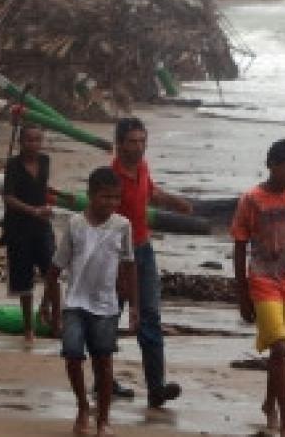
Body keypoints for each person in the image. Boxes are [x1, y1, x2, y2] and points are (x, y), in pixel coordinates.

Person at [45, 167, 138, 437]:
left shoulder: (122, 226)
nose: (110, 203)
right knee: (73, 356)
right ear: (90, 195)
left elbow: (130, 266)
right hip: (74, 301)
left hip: (106, 304)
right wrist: (49, 306)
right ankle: (83, 406)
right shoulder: (75, 224)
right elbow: (56, 268)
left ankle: (104, 419)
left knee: (103, 362)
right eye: (105, 197)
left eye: (115, 198)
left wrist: (134, 307)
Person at [110, 117, 192, 408]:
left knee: (150, 317)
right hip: (116, 255)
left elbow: (151, 193)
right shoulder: (111, 176)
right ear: (119, 144)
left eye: (143, 141)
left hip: (143, 250)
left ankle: (156, 387)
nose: (139, 147)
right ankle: (103, 379)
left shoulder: (143, 167)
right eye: (132, 142)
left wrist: (175, 202)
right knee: (108, 317)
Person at [231, 138, 285, 437]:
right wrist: (242, 293)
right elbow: (239, 245)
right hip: (262, 279)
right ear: (272, 166)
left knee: (281, 351)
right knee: (278, 347)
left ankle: (269, 402)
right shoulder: (251, 200)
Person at [2, 125, 54, 345]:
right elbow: (8, 197)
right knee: (24, 280)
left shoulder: (45, 161)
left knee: (52, 270)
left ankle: (48, 311)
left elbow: (41, 188)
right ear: (21, 142)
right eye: (29, 140)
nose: (33, 144)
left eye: (37, 140)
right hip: (19, 227)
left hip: (42, 225)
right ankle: (28, 329)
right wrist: (33, 211)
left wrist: (55, 198)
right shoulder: (13, 165)